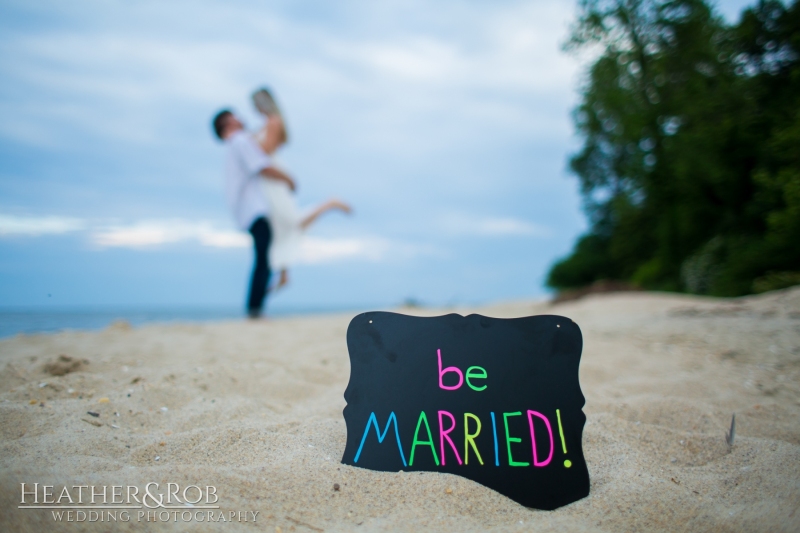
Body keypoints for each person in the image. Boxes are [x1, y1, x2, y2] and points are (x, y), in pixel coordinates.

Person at [250, 87, 351, 290]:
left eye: (256, 103)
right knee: (280, 226)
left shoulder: (273, 122)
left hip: (274, 176)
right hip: (269, 178)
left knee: (291, 221)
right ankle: (284, 272)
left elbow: (265, 151)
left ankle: (329, 203)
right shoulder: (269, 123)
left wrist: (247, 144)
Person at [212, 109, 295, 318]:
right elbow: (261, 165)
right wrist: (288, 178)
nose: (240, 118)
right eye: (235, 116)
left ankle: (255, 308)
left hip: (246, 211)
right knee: (263, 260)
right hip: (254, 210)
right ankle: (255, 310)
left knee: (262, 258)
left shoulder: (235, 145)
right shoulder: (239, 140)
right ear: (228, 123)